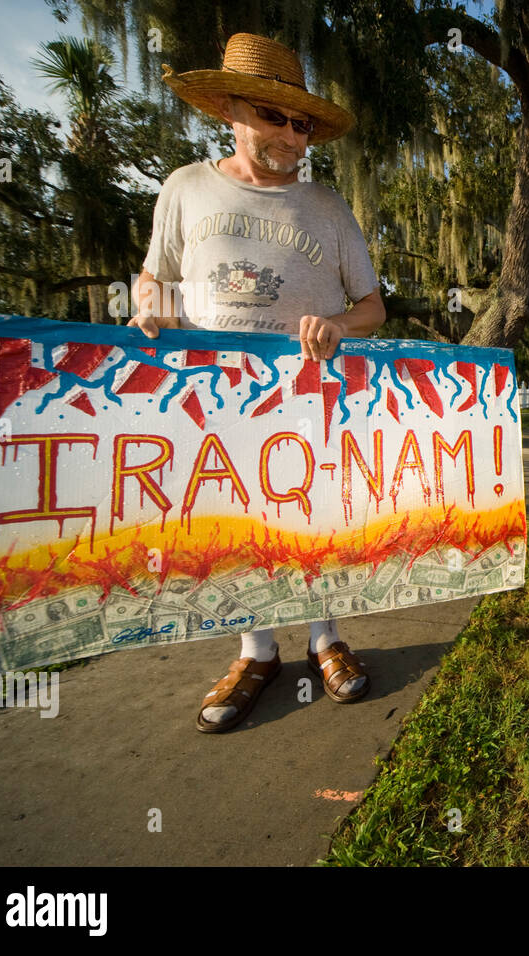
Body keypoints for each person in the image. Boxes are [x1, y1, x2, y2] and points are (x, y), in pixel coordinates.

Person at [129, 33, 386, 733]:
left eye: (303, 124)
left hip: (307, 397)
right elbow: (156, 279)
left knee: (311, 516)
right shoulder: (185, 188)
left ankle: (325, 638)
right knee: (235, 522)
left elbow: (373, 307)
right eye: (276, 118)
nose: (294, 137)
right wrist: (150, 303)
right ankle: (256, 651)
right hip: (211, 396)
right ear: (228, 108)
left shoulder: (328, 207)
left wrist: (337, 325)